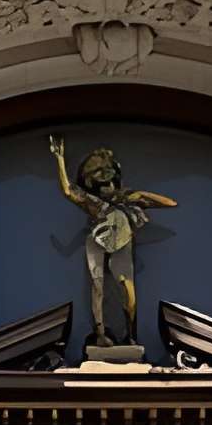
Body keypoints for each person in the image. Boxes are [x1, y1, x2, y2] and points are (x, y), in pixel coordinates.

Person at [51, 137, 176, 354]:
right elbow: (69, 191)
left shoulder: (126, 197)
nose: (106, 181)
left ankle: (130, 334)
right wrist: (60, 159)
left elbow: (169, 203)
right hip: (97, 239)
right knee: (97, 286)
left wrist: (139, 195)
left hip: (122, 240)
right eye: (100, 176)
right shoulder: (93, 202)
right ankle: (100, 335)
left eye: (108, 175)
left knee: (127, 288)